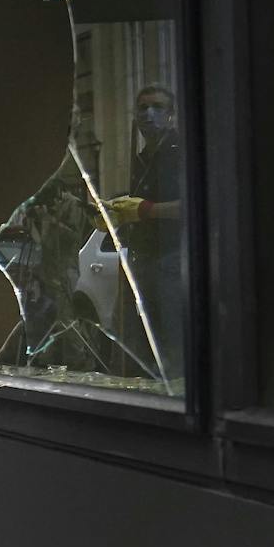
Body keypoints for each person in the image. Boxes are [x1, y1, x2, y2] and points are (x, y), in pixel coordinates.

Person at [93, 85, 185, 380]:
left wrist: (146, 210)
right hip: (143, 258)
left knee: (172, 338)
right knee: (142, 337)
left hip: (173, 257)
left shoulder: (180, 152)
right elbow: (139, 208)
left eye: (157, 107)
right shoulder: (144, 156)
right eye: (143, 107)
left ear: (170, 115)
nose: (149, 114)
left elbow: (196, 206)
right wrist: (119, 214)